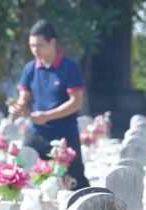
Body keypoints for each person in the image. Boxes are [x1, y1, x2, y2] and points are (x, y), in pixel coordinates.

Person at [8, 20, 90, 189]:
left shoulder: (70, 67)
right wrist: (17, 108)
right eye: (32, 46)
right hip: (37, 133)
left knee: (75, 184)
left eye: (39, 45)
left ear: (53, 43)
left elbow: (76, 103)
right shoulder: (30, 68)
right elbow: (24, 100)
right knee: (21, 175)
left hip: (65, 135)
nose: (35, 50)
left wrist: (47, 116)